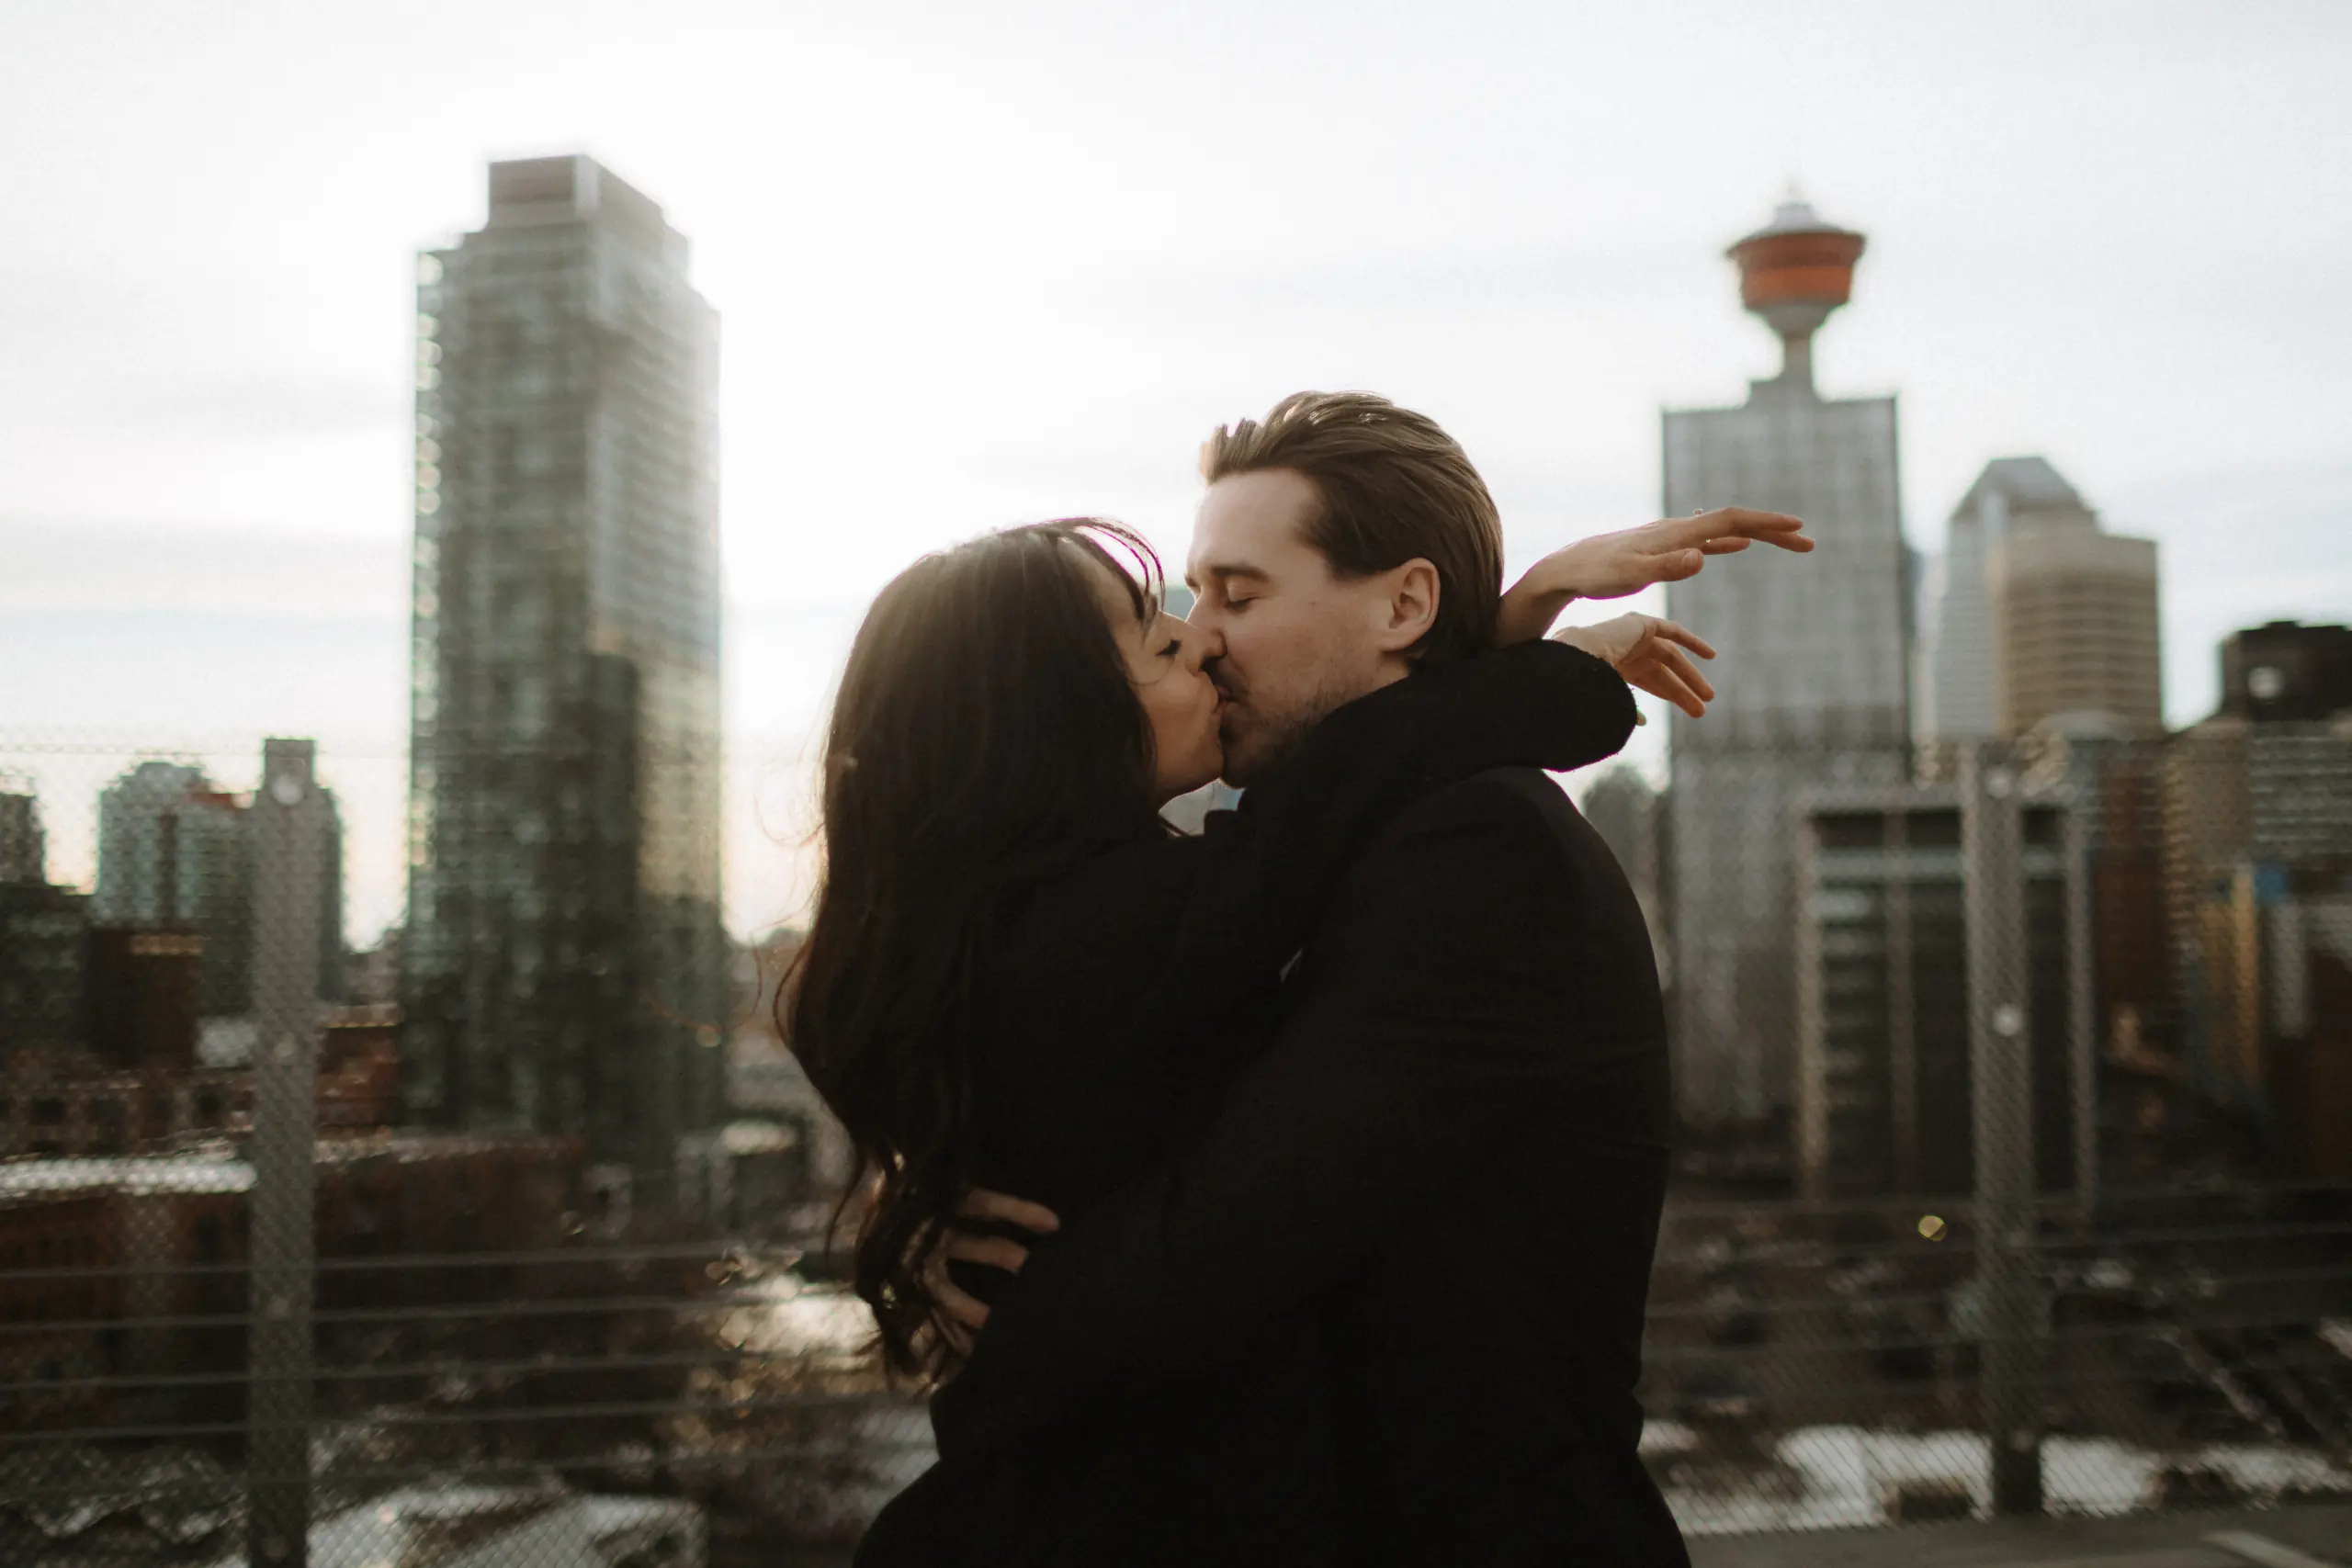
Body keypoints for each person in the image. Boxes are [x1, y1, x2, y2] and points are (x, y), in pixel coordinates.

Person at [913, 393, 1810, 1565]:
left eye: (1239, 593)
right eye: (1191, 598)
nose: (1204, 634)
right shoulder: (1332, 843)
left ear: (1405, 602)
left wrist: (989, 1322)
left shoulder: (1476, 851)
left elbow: (1228, 1232)